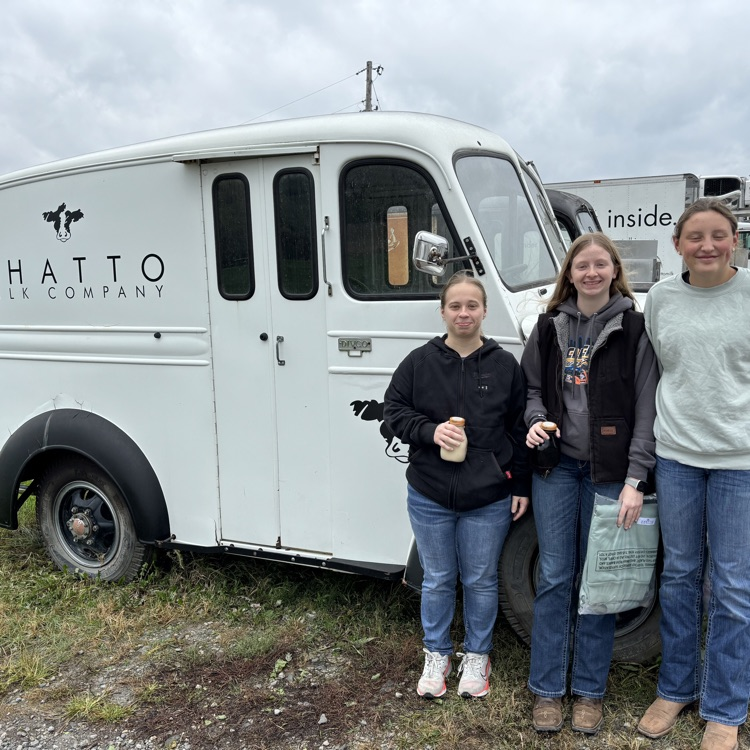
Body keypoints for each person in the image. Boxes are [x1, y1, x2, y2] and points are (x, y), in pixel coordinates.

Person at [521, 232, 658, 734]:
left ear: (614, 270)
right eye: (583, 266)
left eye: (601, 265)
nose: (592, 273)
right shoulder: (548, 326)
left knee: (598, 584)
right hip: (557, 470)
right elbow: (531, 390)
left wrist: (635, 478)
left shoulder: (635, 327)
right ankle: (547, 691)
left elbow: (647, 407)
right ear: (570, 273)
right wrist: (535, 417)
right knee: (556, 577)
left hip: (609, 475)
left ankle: (590, 693)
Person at [384, 270, 530, 700]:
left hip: (488, 496)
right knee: (438, 578)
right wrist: (430, 432)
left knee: (482, 580)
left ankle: (478, 657)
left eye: (472, 306)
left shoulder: (505, 365)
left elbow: (520, 430)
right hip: (429, 492)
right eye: (455, 306)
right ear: (442, 311)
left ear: (485, 311)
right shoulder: (419, 362)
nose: (463, 313)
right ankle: (437, 654)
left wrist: (519, 483)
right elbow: (394, 411)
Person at [637, 199, 750, 750]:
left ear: (735, 240)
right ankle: (676, 687)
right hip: (678, 453)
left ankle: (725, 707)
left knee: (732, 586)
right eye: (695, 236)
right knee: (680, 575)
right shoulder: (661, 298)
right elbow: (663, 365)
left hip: (739, 461)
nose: (707, 245)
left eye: (719, 235)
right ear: (677, 244)